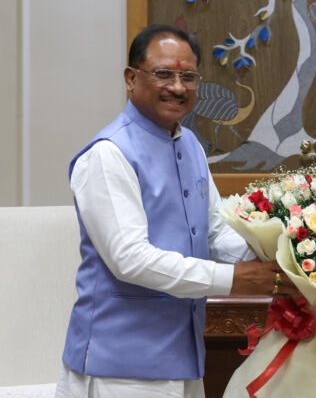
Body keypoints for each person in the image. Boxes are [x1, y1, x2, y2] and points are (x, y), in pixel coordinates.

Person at [55, 24, 295, 398]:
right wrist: (235, 280)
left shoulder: (191, 147)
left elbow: (214, 232)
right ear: (131, 78)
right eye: (163, 74)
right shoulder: (108, 154)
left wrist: (287, 255)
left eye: (189, 76)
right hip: (120, 367)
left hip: (183, 356)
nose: (178, 87)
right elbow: (130, 259)